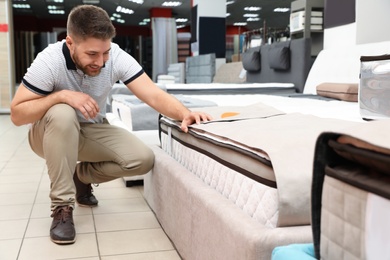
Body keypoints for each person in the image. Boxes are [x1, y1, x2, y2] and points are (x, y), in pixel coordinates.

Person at [10, 5, 211, 245]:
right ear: (70, 43)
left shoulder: (114, 56)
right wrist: (60, 96)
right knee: (63, 113)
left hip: (90, 129)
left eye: (105, 53)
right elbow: (17, 115)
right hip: (48, 134)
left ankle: (81, 177)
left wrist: (184, 113)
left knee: (142, 159)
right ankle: (62, 207)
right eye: (92, 54)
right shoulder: (49, 61)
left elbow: (153, 95)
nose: (101, 61)